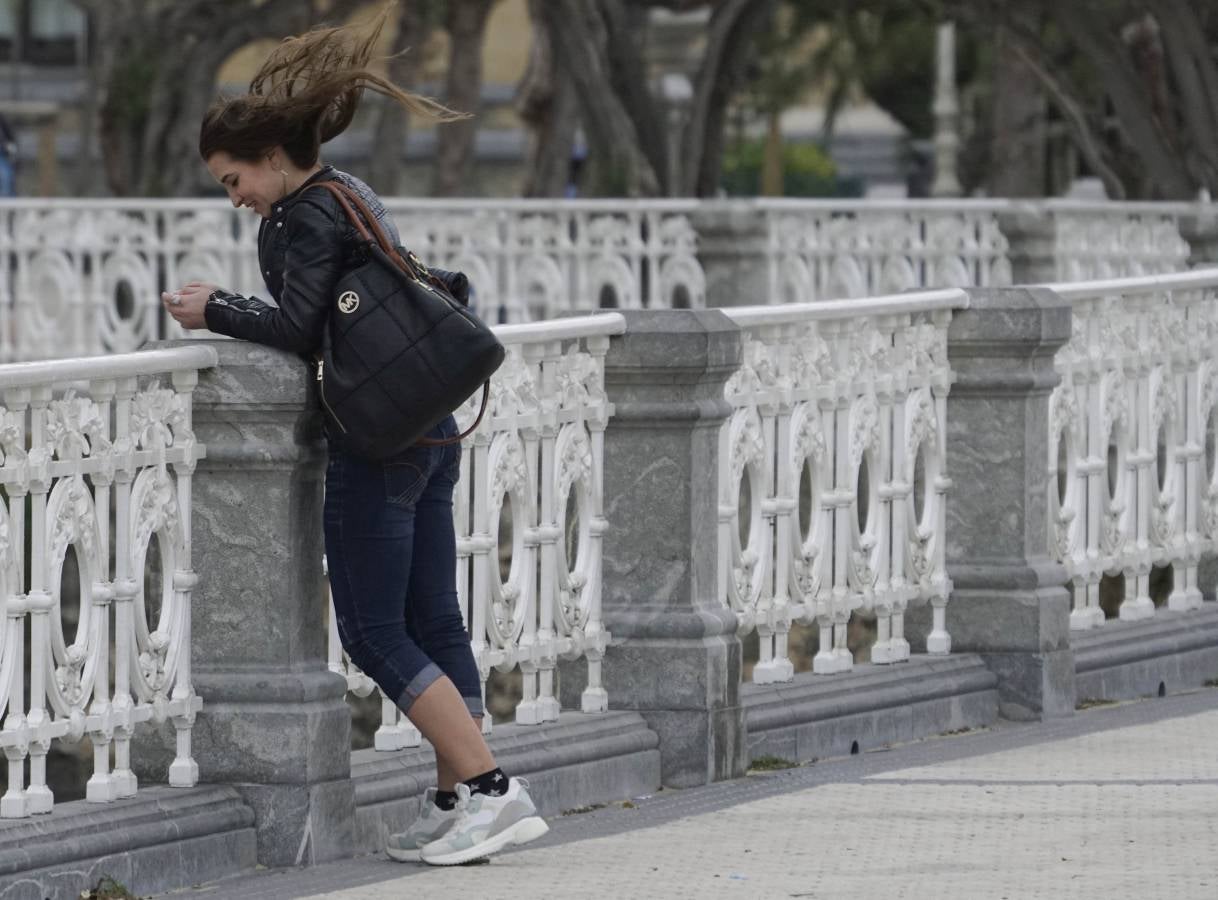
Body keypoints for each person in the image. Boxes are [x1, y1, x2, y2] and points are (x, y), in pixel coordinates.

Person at [161, 8, 547, 868]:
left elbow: (300, 328)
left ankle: (492, 789)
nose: (235, 199)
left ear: (271, 157)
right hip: (429, 424)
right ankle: (453, 800)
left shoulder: (303, 215)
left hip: (377, 441)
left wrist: (214, 308)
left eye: (233, 180)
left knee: (373, 632)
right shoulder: (350, 191)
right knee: (433, 617)